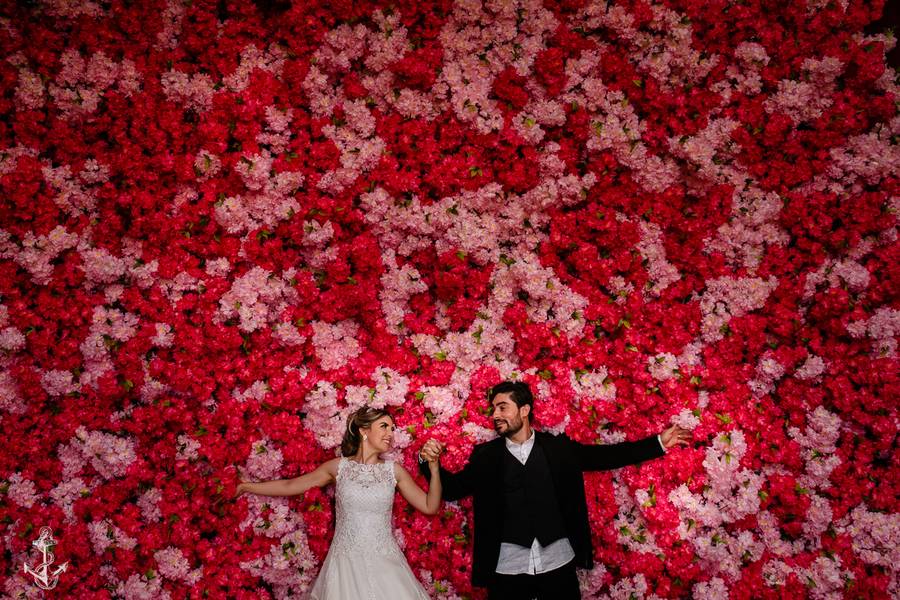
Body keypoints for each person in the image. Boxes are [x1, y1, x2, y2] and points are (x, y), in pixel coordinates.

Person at [418, 381, 691, 600]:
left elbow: (605, 457)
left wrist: (658, 444)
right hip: (507, 567)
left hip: (557, 561)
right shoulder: (486, 456)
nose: (495, 415)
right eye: (493, 409)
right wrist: (427, 463)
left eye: (502, 408)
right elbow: (452, 490)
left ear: (524, 410)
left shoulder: (557, 448)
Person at [237, 406, 442, 600]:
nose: (390, 433)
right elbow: (290, 486)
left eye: (392, 428)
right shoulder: (338, 468)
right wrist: (247, 487)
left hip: (385, 563)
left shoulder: (394, 471)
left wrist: (434, 470)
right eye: (384, 426)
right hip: (345, 565)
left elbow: (429, 506)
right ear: (364, 431)